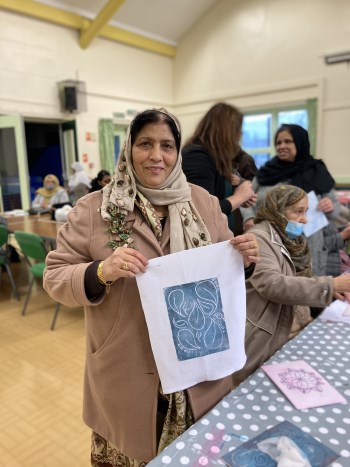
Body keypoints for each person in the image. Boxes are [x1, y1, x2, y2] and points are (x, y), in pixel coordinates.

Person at [43, 108, 260, 466]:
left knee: (197, 453)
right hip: (127, 369)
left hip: (199, 366)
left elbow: (228, 269)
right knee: (132, 450)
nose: (156, 155)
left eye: (167, 145)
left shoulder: (203, 202)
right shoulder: (93, 209)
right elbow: (55, 276)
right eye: (145, 144)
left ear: (177, 153)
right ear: (129, 148)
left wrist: (246, 259)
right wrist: (100, 272)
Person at [232, 185, 350, 388]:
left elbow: (296, 276)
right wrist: (330, 284)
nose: (304, 219)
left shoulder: (291, 239)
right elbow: (273, 285)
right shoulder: (260, 238)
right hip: (267, 337)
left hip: (291, 327)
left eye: (306, 211)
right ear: (278, 209)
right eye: (297, 211)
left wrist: (331, 288)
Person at [240, 123, 342, 276]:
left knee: (307, 287)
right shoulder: (267, 172)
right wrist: (249, 218)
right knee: (276, 284)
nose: (281, 146)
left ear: (300, 143)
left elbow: (336, 207)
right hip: (271, 241)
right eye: (278, 142)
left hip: (308, 244)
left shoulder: (317, 171)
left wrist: (330, 206)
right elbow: (245, 199)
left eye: (288, 141)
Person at [182, 102, 257, 236]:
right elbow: (201, 213)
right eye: (237, 131)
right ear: (227, 132)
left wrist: (239, 195)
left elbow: (215, 197)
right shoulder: (197, 157)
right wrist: (239, 197)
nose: (239, 136)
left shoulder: (214, 157)